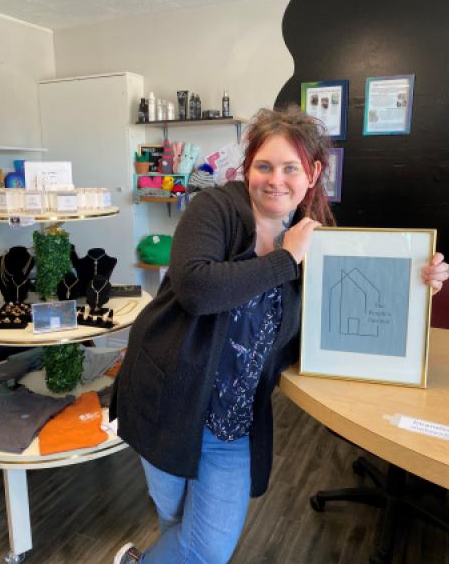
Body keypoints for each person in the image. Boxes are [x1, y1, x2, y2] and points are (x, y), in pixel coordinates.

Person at [111, 106, 448, 564]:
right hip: (166, 402)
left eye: (291, 168)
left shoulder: (315, 239)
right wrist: (284, 260)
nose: (276, 180)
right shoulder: (217, 208)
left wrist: (417, 280)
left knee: (206, 548)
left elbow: (342, 310)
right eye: (264, 166)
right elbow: (195, 288)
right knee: (176, 523)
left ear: (312, 174)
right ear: (247, 167)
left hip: (232, 424)